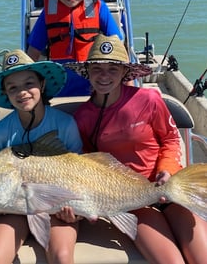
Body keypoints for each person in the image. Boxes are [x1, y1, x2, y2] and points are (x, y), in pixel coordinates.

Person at [65, 34, 207, 264]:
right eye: (97, 69)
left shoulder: (149, 99)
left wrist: (166, 171)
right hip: (131, 200)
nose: (104, 76)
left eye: (112, 69)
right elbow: (89, 165)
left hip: (171, 186)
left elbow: (170, 140)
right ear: (87, 73)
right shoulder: (82, 118)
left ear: (124, 73)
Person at [0, 49, 83, 264]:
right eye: (12, 88)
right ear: (6, 94)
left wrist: (75, 212)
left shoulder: (65, 124)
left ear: (42, 85)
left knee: (62, 257)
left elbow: (80, 174)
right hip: (13, 208)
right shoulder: (1, 131)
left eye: (28, 84)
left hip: (57, 207)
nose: (22, 92)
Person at [27, 0, 124, 97]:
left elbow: (118, 46)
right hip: (60, 87)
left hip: (95, 86)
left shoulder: (98, 8)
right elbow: (33, 53)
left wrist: (126, 85)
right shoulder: (47, 14)